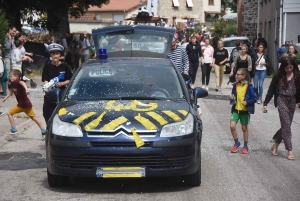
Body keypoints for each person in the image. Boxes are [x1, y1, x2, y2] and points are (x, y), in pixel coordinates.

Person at [263, 58, 300, 160]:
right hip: (281, 99)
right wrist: (265, 102)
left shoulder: (297, 76)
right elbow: (271, 89)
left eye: (291, 68)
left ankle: (275, 144)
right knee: (286, 125)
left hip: (292, 101)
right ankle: (290, 151)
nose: (289, 69)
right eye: (287, 68)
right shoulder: (278, 76)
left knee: (286, 125)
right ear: (283, 67)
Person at [2, 69, 46, 139]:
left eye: (11, 76)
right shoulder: (12, 84)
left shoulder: (17, 81)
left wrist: (26, 89)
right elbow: (11, 92)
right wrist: (6, 98)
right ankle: (43, 131)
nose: (10, 78)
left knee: (9, 113)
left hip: (22, 104)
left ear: (16, 76)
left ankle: (14, 129)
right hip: (27, 105)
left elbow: (23, 83)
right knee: (34, 117)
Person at [42, 44, 73, 123]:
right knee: (47, 113)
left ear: (60, 55)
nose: (55, 56)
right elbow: (45, 79)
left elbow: (70, 80)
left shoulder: (65, 66)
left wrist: (62, 83)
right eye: (53, 54)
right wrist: (48, 86)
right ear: (50, 55)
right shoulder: (47, 66)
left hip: (62, 92)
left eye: (57, 54)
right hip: (51, 92)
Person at [229, 68, 257, 154]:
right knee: (232, 126)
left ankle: (245, 146)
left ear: (243, 76)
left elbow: (255, 98)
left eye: (238, 74)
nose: (236, 76)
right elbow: (233, 95)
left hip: (244, 111)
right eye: (236, 74)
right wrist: (232, 97)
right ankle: (236, 143)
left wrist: (247, 102)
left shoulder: (249, 86)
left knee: (244, 128)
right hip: (236, 110)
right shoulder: (235, 85)